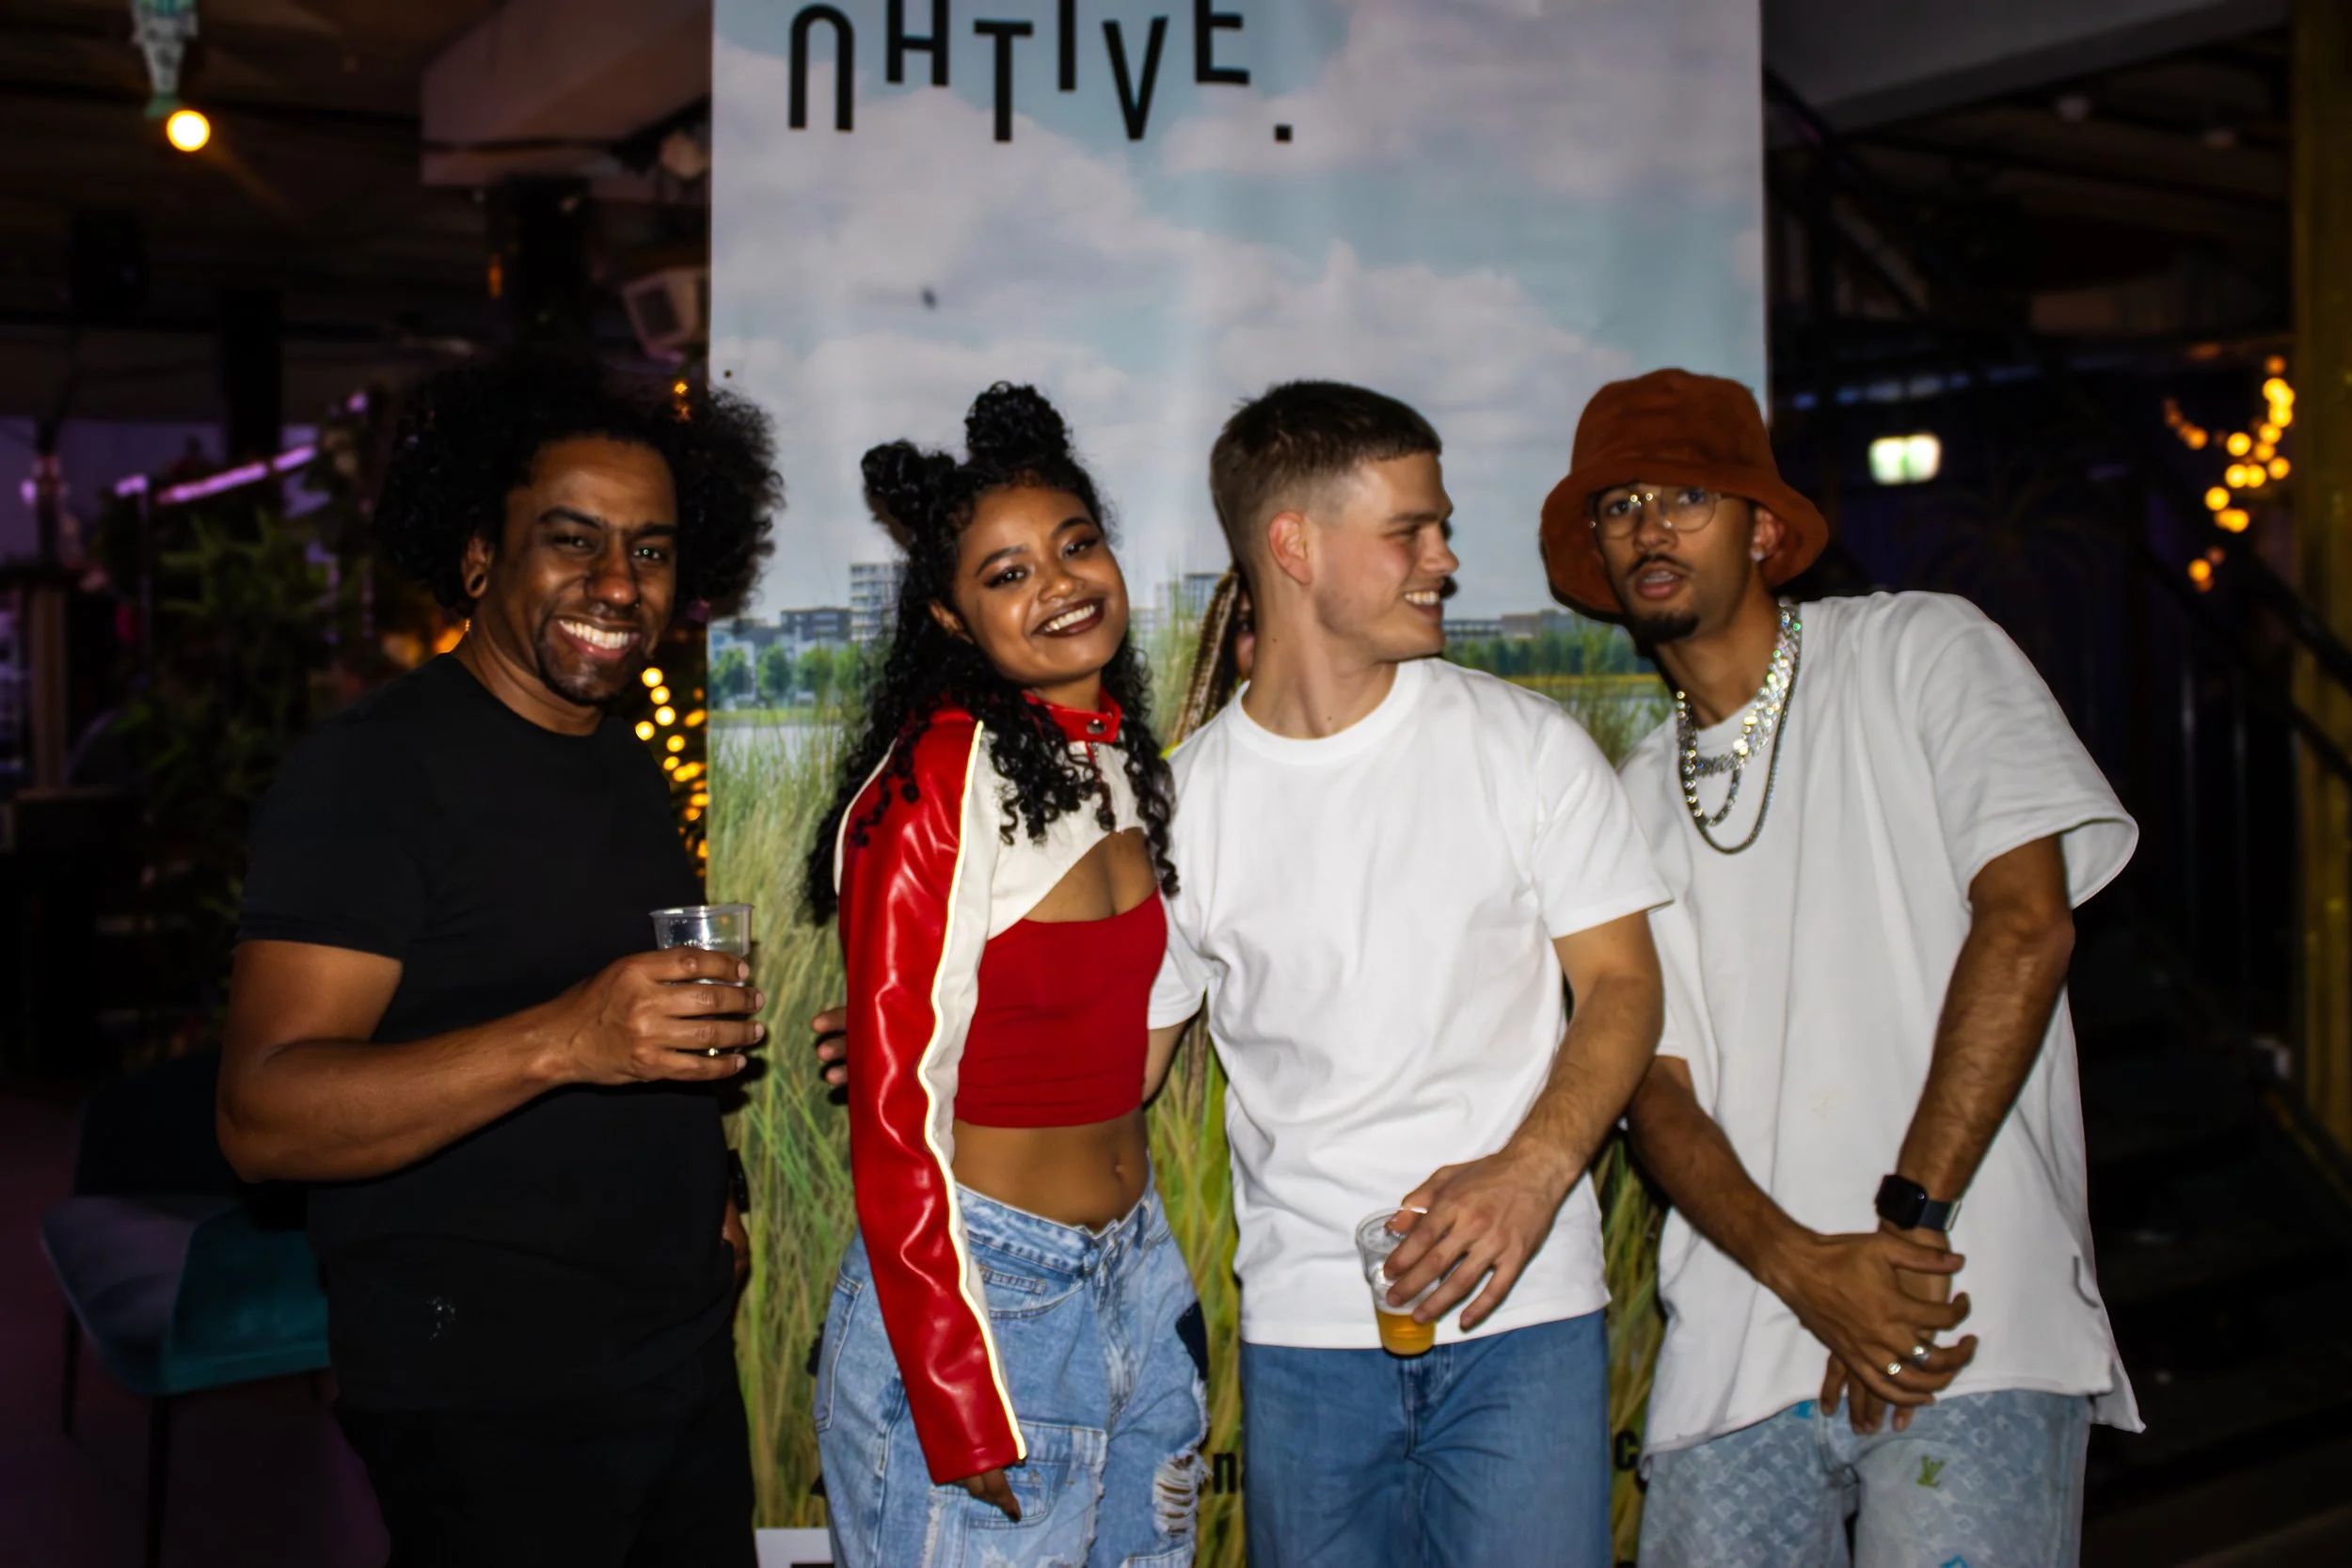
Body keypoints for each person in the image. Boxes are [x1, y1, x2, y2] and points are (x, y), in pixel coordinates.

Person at [1540, 368, 2139, 1566]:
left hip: (1963, 1313)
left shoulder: (1918, 650)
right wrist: (1804, 1268)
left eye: (1687, 496)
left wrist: (1902, 1233)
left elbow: (2025, 924)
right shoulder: (1627, 797)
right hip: (1734, 1351)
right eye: (1618, 506)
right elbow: (1652, 1088)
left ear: (1763, 529)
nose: (1649, 527)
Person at [216, 350, 779, 1567]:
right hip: (490, 1389)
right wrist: (564, 1038)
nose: (616, 582)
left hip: (671, 1351)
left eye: (650, 548)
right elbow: (262, 1116)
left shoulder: (619, 757)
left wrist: (713, 1187)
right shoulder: (373, 772)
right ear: (480, 555)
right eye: (571, 540)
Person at [805, 384, 1206, 1568]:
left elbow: (1116, 1018)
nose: (1060, 583)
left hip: (1134, 1268)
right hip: (989, 1297)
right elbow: (895, 1112)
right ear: (948, 612)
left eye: (1076, 544)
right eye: (1008, 572)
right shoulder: (934, 780)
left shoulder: (1122, 755)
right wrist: (952, 1386)